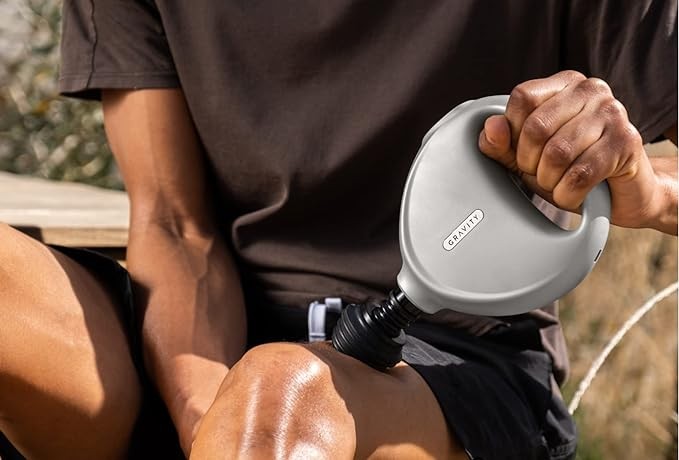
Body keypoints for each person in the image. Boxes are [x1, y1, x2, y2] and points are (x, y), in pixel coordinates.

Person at [0, 1, 676, 459]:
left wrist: (644, 189)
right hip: (198, 339)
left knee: (280, 390)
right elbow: (173, 223)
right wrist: (207, 417)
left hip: (453, 363)